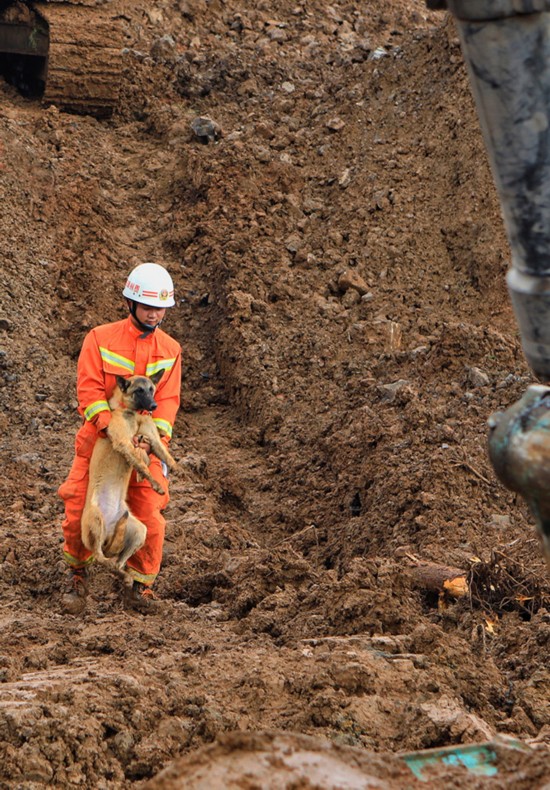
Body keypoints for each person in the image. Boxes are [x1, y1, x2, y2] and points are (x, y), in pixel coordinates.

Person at [58, 263, 182, 614]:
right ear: (131, 303)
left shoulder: (171, 349)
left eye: (160, 308)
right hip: (101, 440)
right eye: (147, 307)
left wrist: (151, 441)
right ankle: (77, 575)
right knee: (78, 506)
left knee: (150, 514)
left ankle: (139, 587)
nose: (154, 314)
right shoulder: (100, 338)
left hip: (144, 442)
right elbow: (90, 389)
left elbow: (168, 400)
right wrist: (109, 428)